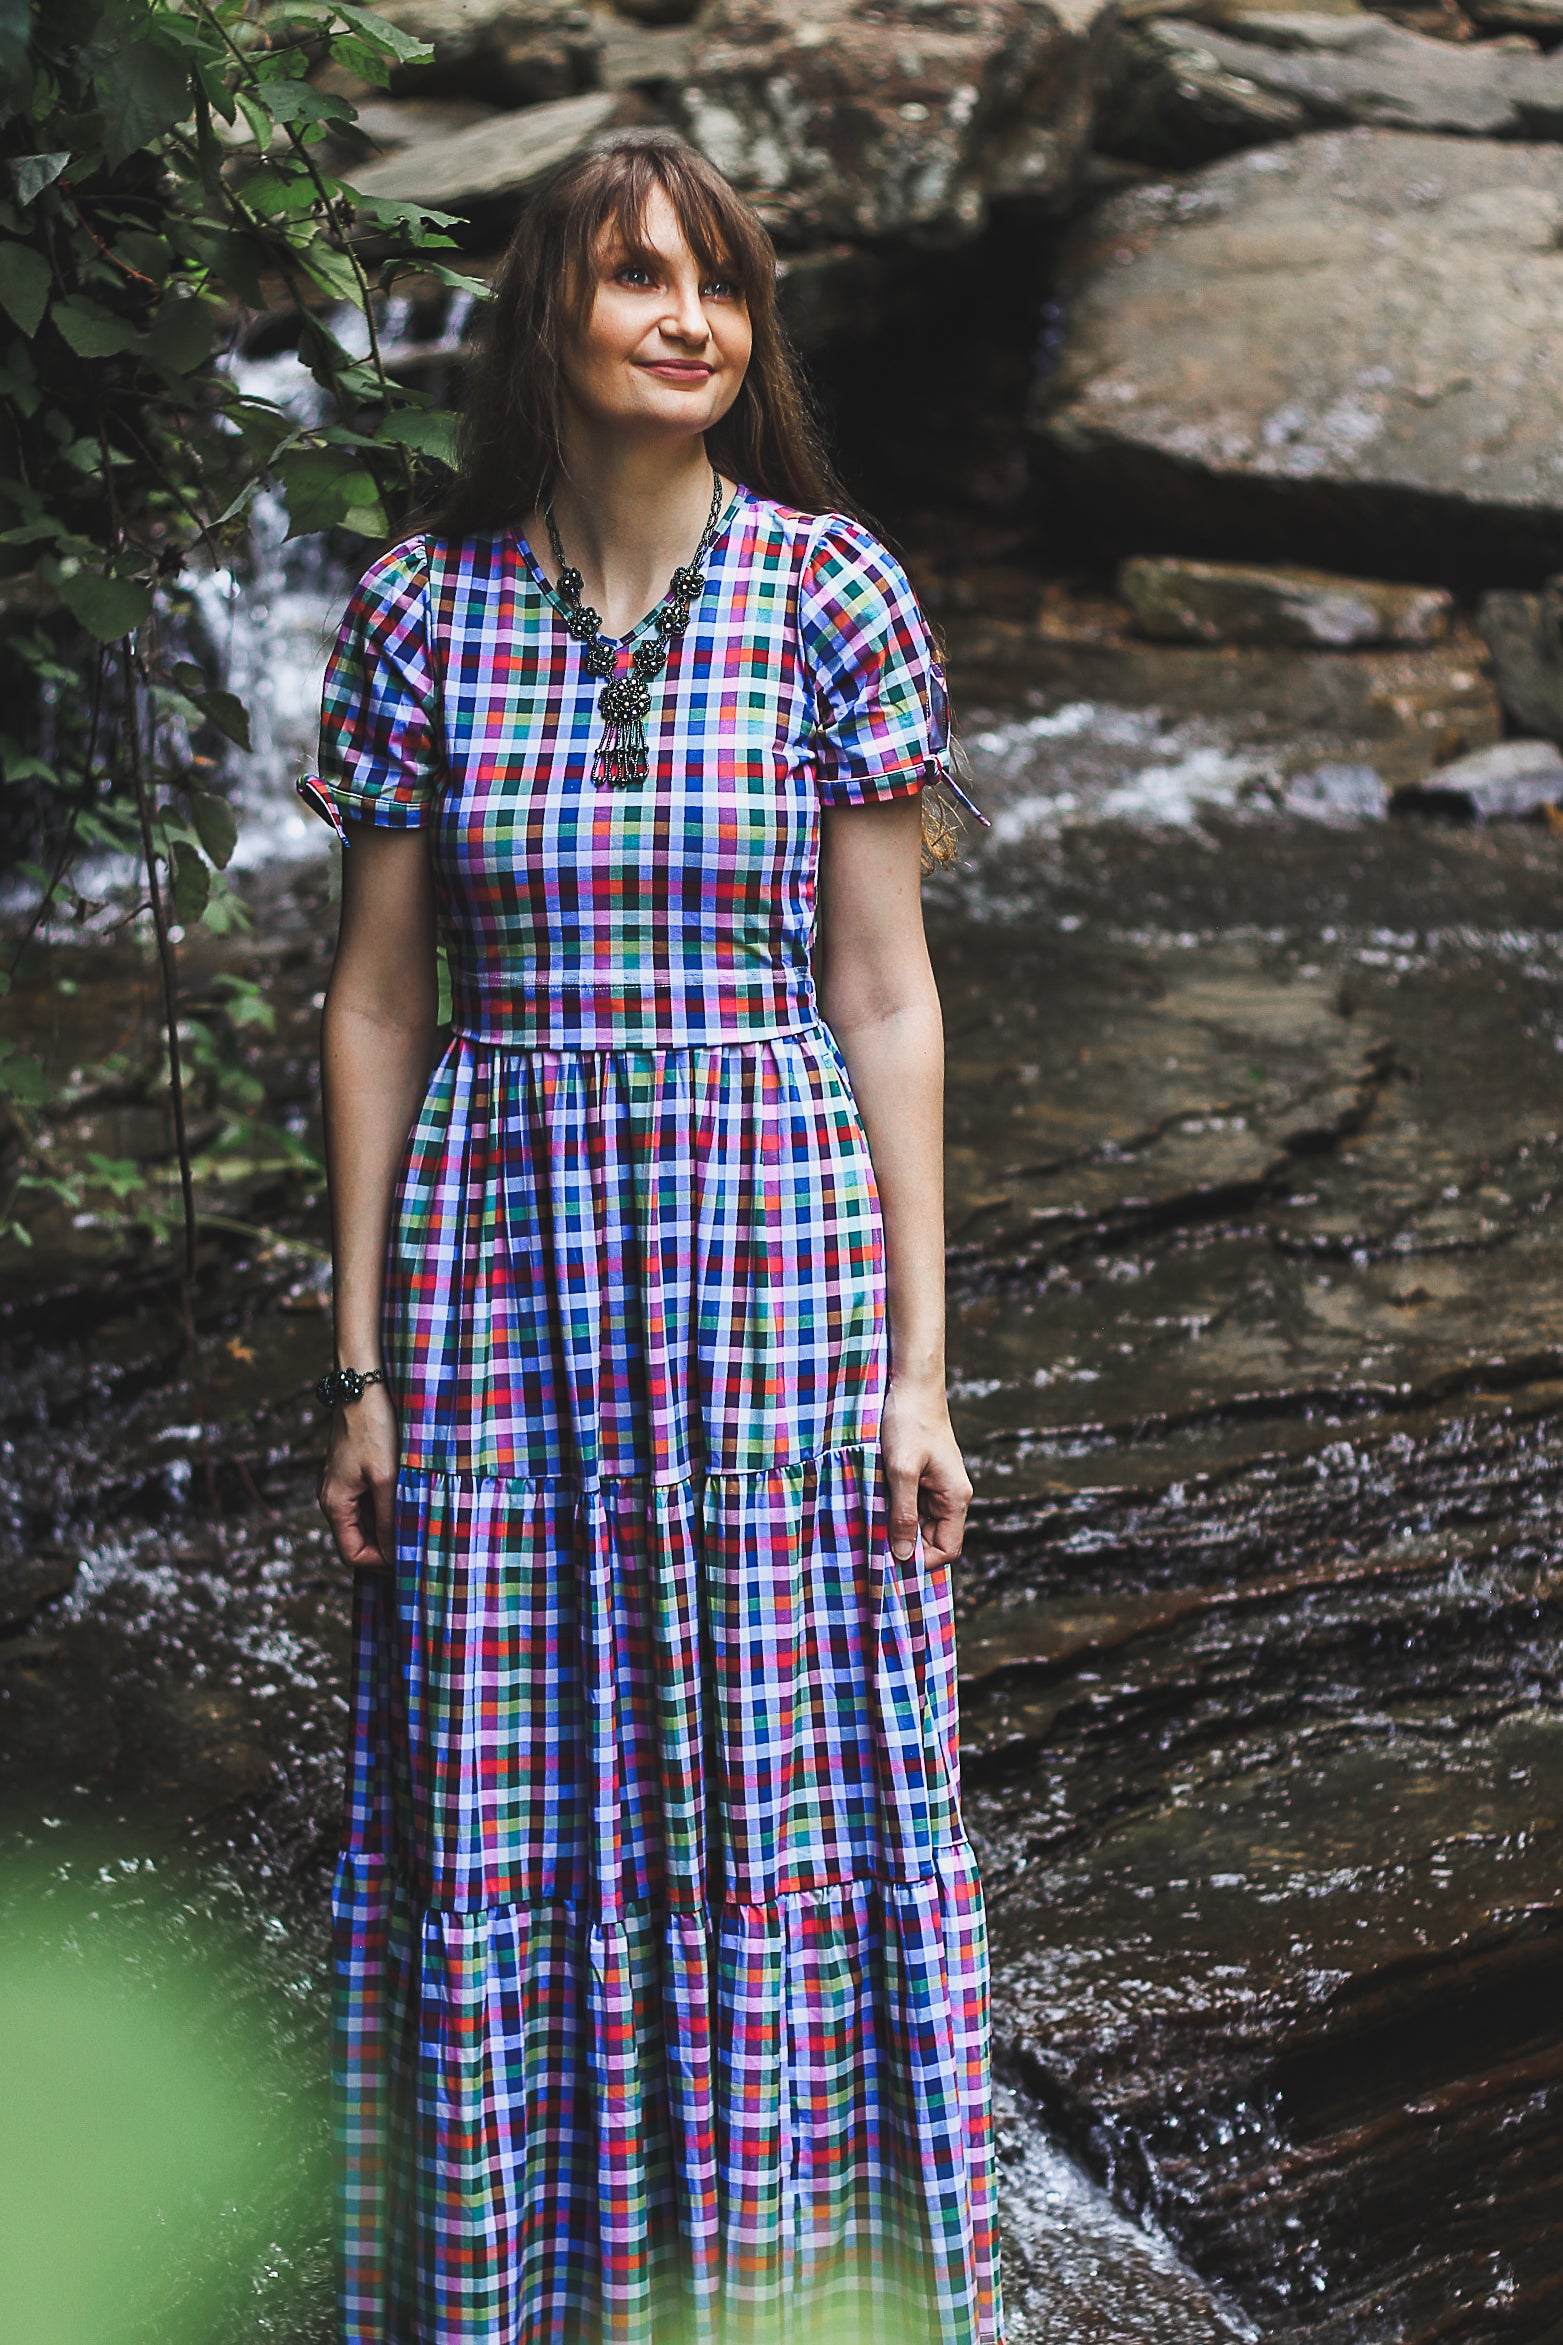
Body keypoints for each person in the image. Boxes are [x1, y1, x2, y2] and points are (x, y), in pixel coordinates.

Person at [300, 127, 1000, 2345]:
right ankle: (524, 2291)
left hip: (768, 1262)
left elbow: (884, 993)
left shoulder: (831, 592)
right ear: (556, 317)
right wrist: (359, 1367)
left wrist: (917, 1366)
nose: (686, 317)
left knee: (768, 1769)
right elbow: (378, 1001)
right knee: (504, 1784)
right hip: (501, 1274)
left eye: (718, 284)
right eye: (635, 278)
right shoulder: (422, 612)